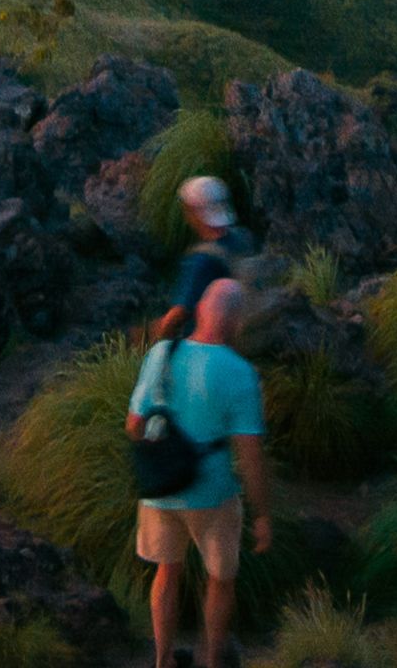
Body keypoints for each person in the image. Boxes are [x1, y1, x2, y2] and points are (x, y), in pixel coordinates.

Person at [133, 274, 274, 668]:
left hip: (160, 488)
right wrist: (262, 514)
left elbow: (133, 425)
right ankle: (211, 659)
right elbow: (250, 454)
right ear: (235, 323)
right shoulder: (240, 372)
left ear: (198, 311)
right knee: (220, 579)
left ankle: (162, 659)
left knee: (166, 572)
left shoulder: (162, 353)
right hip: (212, 493)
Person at [169, 172, 250, 321]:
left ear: (195, 212)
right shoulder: (243, 236)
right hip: (243, 325)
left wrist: (152, 334)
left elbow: (179, 314)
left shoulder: (200, 260)